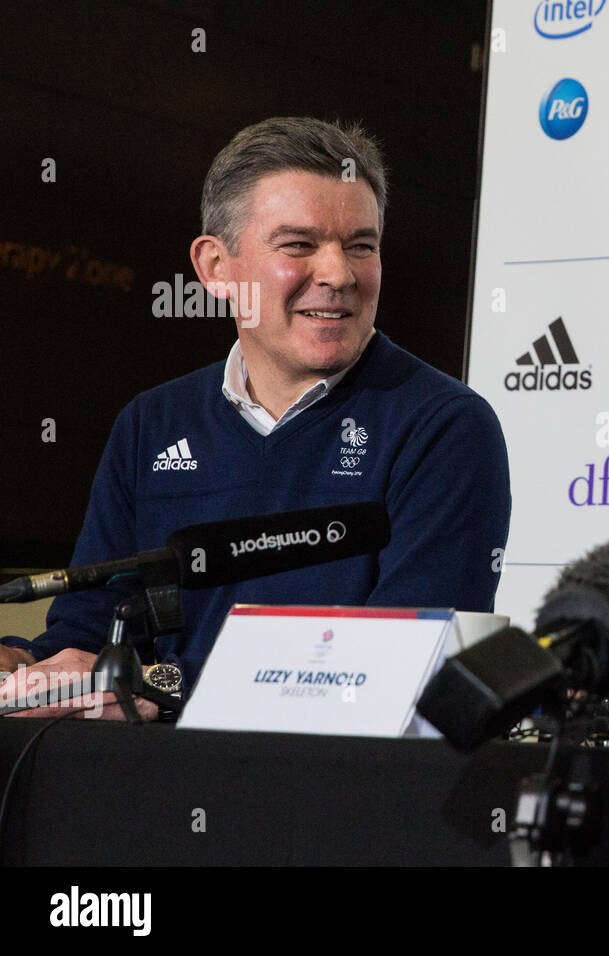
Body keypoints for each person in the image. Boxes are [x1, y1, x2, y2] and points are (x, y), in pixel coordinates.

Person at [0, 117, 511, 718]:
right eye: (299, 245)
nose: (340, 274)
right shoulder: (152, 423)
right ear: (216, 268)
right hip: (142, 789)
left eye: (361, 246)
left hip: (330, 795)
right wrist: (27, 665)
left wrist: (163, 689)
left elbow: (403, 669)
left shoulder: (446, 427)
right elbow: (89, 630)